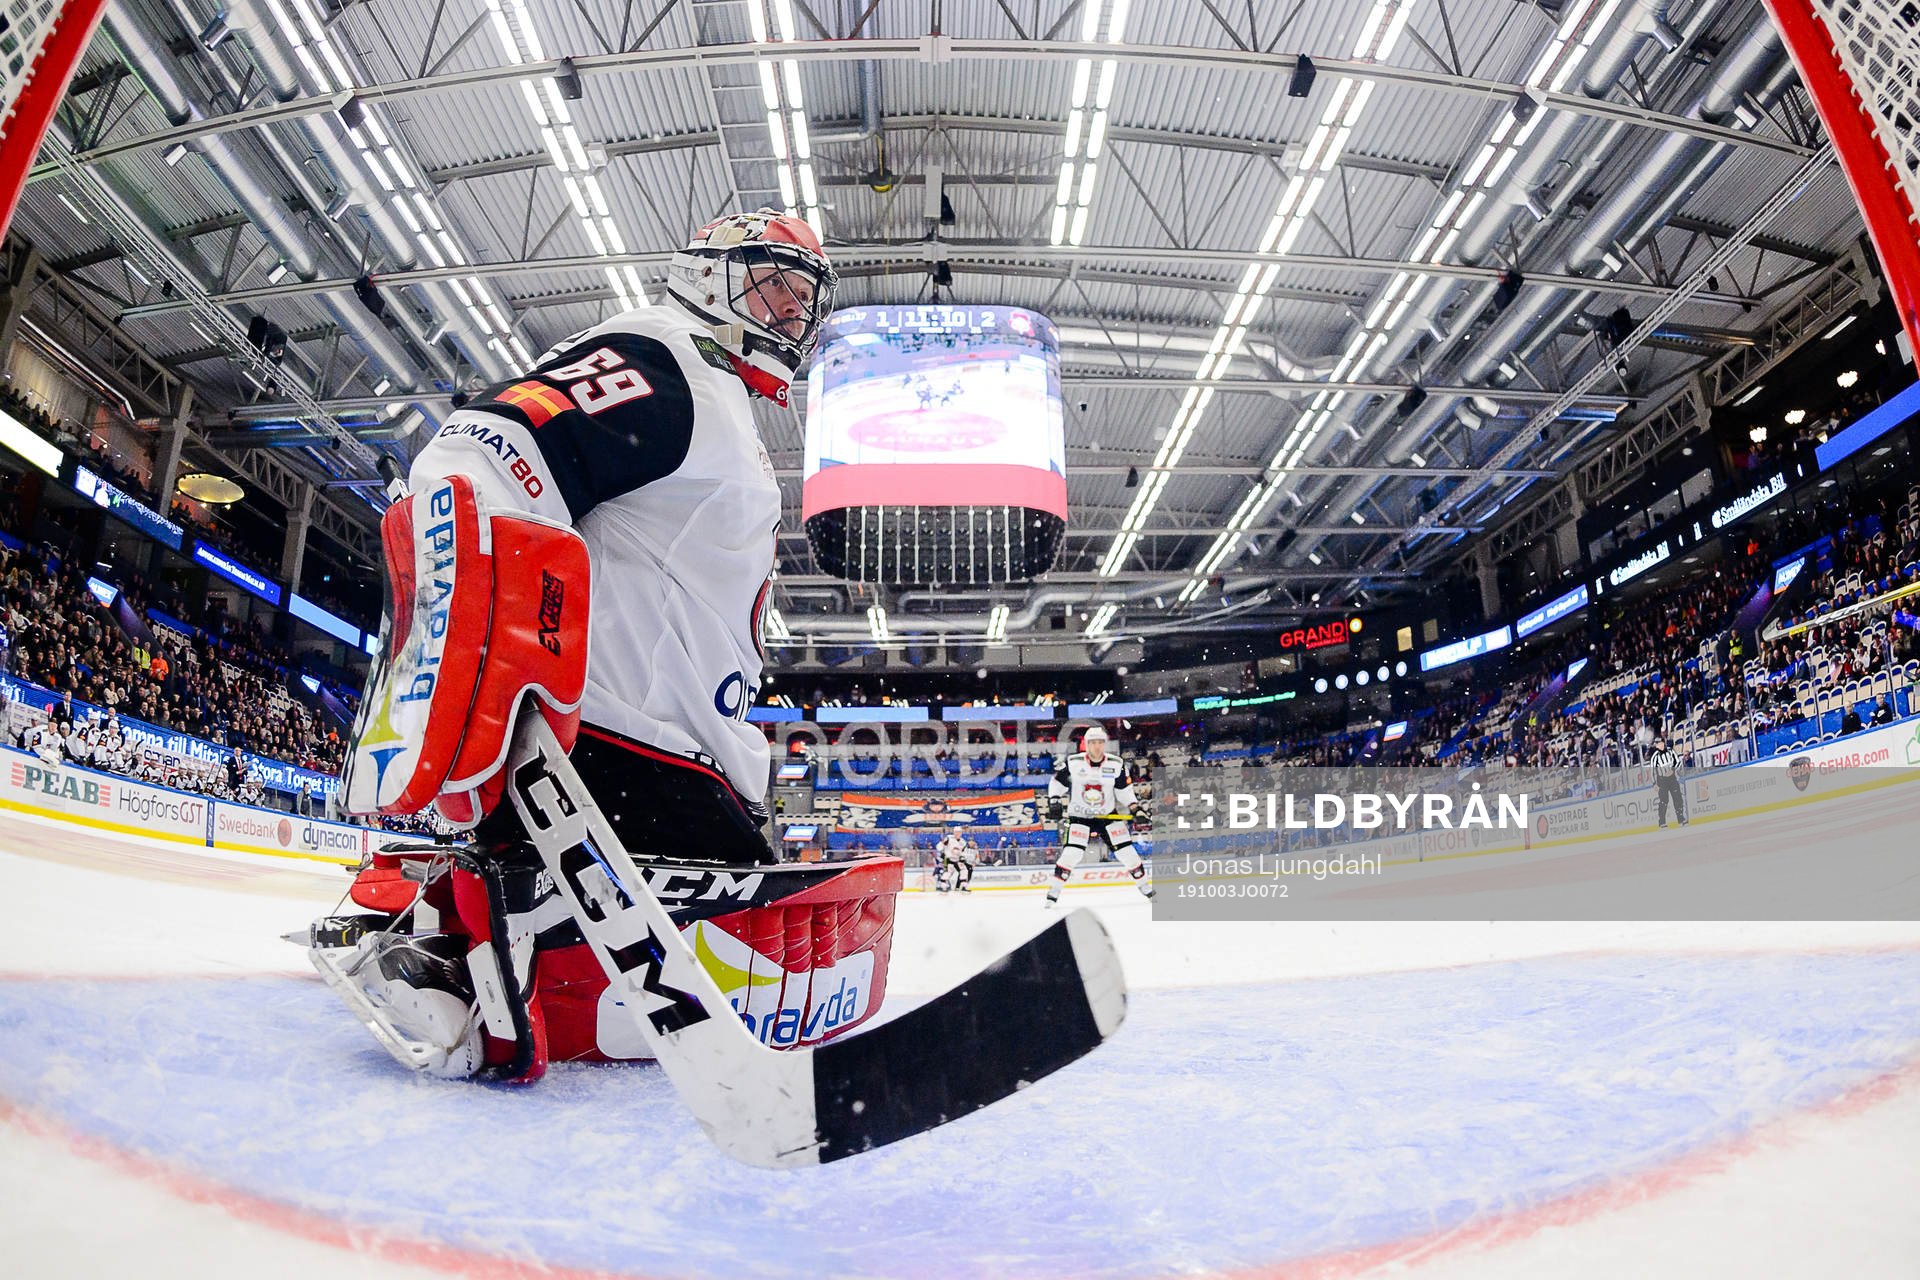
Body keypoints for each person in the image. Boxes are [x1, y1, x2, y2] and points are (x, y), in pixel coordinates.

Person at [326, 210, 904, 1082]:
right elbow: (488, 449)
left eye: (801, 299)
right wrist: (513, 671)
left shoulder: (718, 396)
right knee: (769, 965)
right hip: (628, 755)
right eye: (769, 281)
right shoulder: (667, 355)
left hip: (677, 755)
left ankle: (441, 919)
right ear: (706, 273)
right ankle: (466, 940)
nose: (787, 313)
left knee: (795, 937)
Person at [1045, 725, 1152, 904]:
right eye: (1093, 742)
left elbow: (1124, 791)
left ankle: (1145, 887)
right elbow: (1056, 783)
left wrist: (1135, 808)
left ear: (1105, 744)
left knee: (1128, 853)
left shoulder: (1116, 764)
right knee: (1072, 854)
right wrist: (1054, 800)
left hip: (1107, 816)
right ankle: (1053, 892)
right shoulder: (1073, 762)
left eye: (1100, 742)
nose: (1096, 746)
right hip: (1080, 817)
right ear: (1086, 744)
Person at [1650, 736, 1688, 829]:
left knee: (1677, 797)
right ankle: (1662, 821)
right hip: (1662, 780)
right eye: (1657, 744)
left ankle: (1681, 818)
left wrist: (1673, 770)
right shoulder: (1655, 756)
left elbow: (1677, 762)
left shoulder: (1671, 751)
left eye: (1659, 743)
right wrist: (1654, 783)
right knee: (1664, 801)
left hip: (1672, 778)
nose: (1658, 745)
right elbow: (1652, 771)